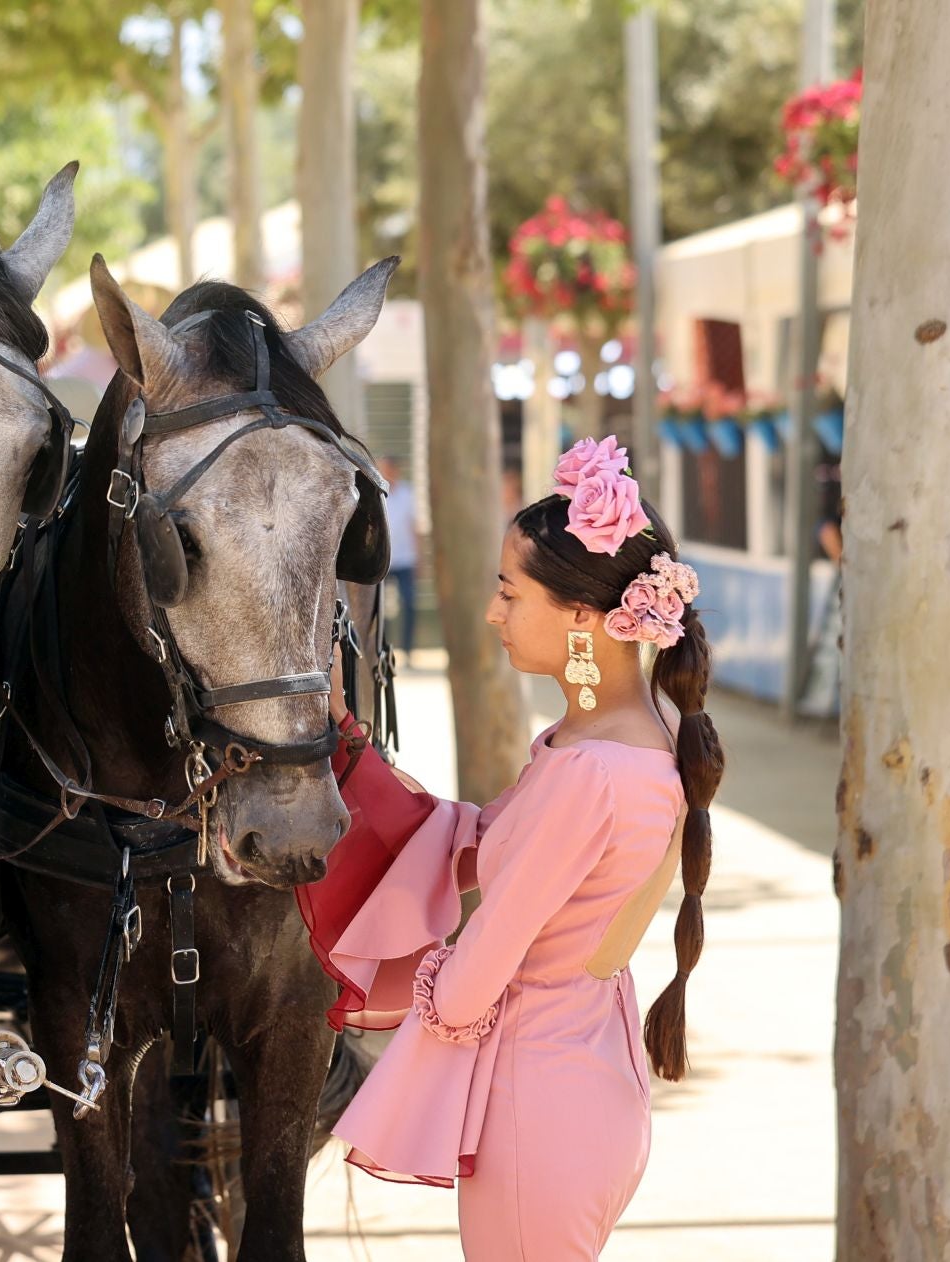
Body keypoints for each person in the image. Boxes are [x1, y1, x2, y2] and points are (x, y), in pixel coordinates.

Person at [298, 435, 724, 1260]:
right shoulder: (633, 735)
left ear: (581, 618)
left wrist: (394, 982)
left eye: (508, 591)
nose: (493, 612)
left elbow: (472, 981)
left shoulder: (591, 771)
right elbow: (494, 840)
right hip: (584, 1073)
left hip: (541, 1102)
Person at [378, 454, 419, 659]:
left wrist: (419, 558)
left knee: (409, 603)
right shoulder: (377, 493)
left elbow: (414, 527)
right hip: (384, 559)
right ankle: (383, 647)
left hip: (405, 559)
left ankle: (408, 649)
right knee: (380, 607)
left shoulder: (408, 494)